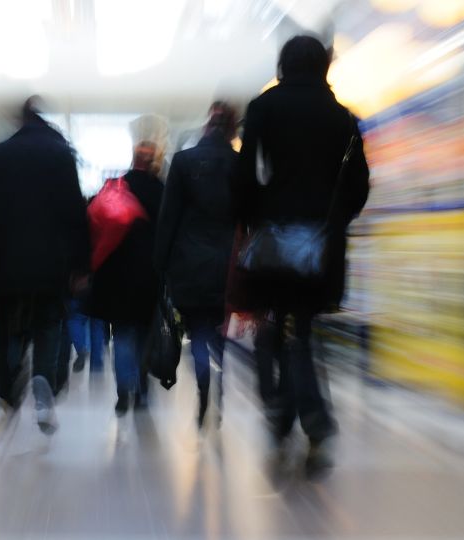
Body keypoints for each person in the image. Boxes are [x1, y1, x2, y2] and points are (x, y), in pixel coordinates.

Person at [232, 35, 370, 478]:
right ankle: (308, 422)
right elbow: (359, 185)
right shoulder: (343, 118)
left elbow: (245, 175)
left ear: (284, 64)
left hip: (273, 242)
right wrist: (332, 224)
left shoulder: (263, 108)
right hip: (320, 248)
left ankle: (288, 416)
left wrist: (255, 219)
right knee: (302, 333)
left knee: (274, 329)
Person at [0, 98, 90, 434]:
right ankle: (43, 381)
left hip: (6, 263)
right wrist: (80, 265)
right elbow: (75, 216)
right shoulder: (61, 156)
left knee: (7, 328)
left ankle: (8, 387)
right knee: (48, 326)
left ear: (19, 121)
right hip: (51, 265)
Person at [155, 102, 239, 429]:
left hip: (188, 263)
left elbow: (168, 218)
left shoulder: (183, 162)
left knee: (198, 331)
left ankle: (204, 385)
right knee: (218, 329)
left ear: (206, 127)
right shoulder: (238, 164)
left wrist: (160, 263)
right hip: (227, 264)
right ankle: (219, 380)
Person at [87, 141, 165, 416]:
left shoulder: (116, 187)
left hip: (117, 275)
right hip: (149, 274)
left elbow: (95, 226)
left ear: (134, 159)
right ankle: (142, 389)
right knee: (144, 333)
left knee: (122, 333)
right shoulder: (161, 190)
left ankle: (123, 389)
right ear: (155, 160)